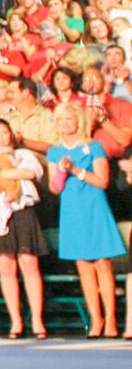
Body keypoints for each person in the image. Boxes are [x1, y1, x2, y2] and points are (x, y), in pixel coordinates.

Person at [47, 102, 125, 337]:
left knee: (103, 263)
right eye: (61, 120)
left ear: (78, 121)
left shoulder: (94, 147)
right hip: (72, 209)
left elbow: (102, 181)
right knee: (82, 265)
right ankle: (96, 320)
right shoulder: (54, 151)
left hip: (94, 205)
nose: (65, 124)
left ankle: (111, 320)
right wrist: (62, 172)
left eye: (69, 119)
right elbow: (54, 187)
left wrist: (77, 171)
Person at [0, 119, 49, 338]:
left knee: (29, 263)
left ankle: (37, 319)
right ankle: (16, 320)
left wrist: (1, 173)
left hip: (22, 212)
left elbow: (29, 174)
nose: (1, 137)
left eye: (4, 133)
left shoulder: (23, 155)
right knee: (6, 267)